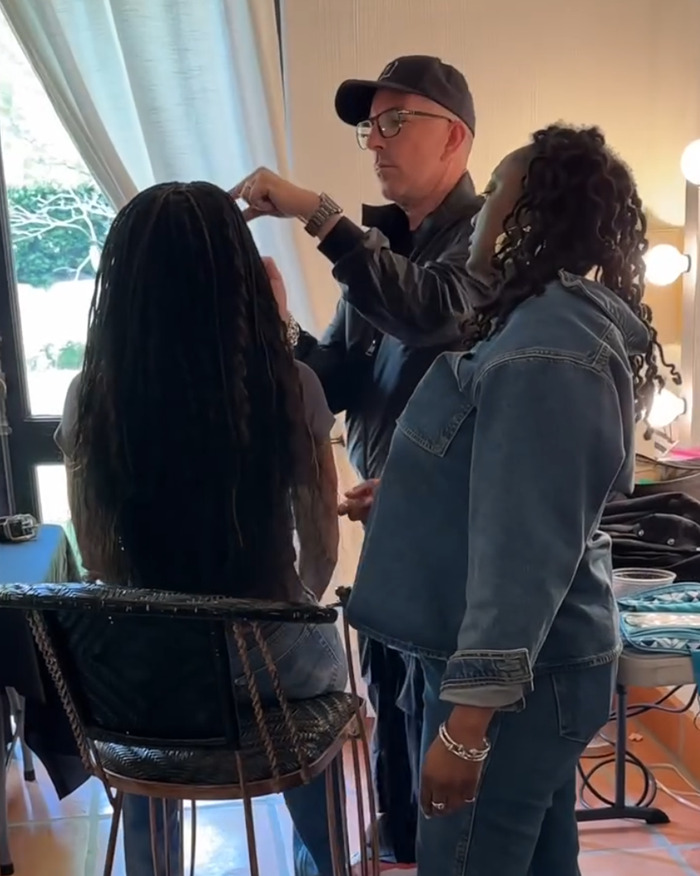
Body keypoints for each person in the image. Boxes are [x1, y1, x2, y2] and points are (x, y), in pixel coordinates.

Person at [345, 124, 679, 875]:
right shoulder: (538, 329)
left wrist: (467, 727)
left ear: (530, 209)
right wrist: (409, 498)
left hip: (517, 689)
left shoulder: (546, 345)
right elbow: (506, 486)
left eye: (494, 188)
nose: (483, 205)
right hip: (529, 679)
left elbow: (526, 549)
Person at [231, 54, 483, 867]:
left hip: (457, 531)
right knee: (392, 698)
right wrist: (280, 331)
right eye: (368, 126)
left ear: (457, 137)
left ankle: (431, 849)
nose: (374, 141)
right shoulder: (379, 253)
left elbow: (439, 316)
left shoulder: (486, 241)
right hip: (387, 522)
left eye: (393, 121)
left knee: (432, 707)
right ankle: (403, 846)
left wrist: (318, 214)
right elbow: (335, 379)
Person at [54, 181, 346, 876]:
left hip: (149, 677)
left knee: (152, 699)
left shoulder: (89, 396)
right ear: (241, 274)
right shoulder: (291, 385)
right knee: (324, 668)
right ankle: (328, 862)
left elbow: (94, 552)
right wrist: (273, 612)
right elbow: (322, 552)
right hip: (270, 662)